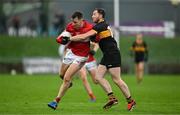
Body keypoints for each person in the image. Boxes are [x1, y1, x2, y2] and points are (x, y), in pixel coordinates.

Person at [69, 8, 136, 111]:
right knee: (98, 77)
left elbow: (84, 36)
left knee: (117, 80)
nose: (92, 16)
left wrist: (70, 39)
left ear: (101, 15)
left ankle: (131, 101)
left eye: (94, 14)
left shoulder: (101, 26)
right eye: (92, 14)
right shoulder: (101, 26)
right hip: (107, 54)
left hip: (112, 54)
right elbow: (91, 39)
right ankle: (112, 98)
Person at [48, 11, 95, 110]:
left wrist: (93, 47)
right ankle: (69, 83)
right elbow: (59, 38)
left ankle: (55, 101)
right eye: (72, 22)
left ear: (81, 20)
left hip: (81, 57)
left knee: (66, 78)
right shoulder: (70, 26)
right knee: (61, 74)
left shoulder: (89, 28)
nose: (73, 24)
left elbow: (96, 40)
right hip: (71, 53)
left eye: (75, 22)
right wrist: (62, 40)